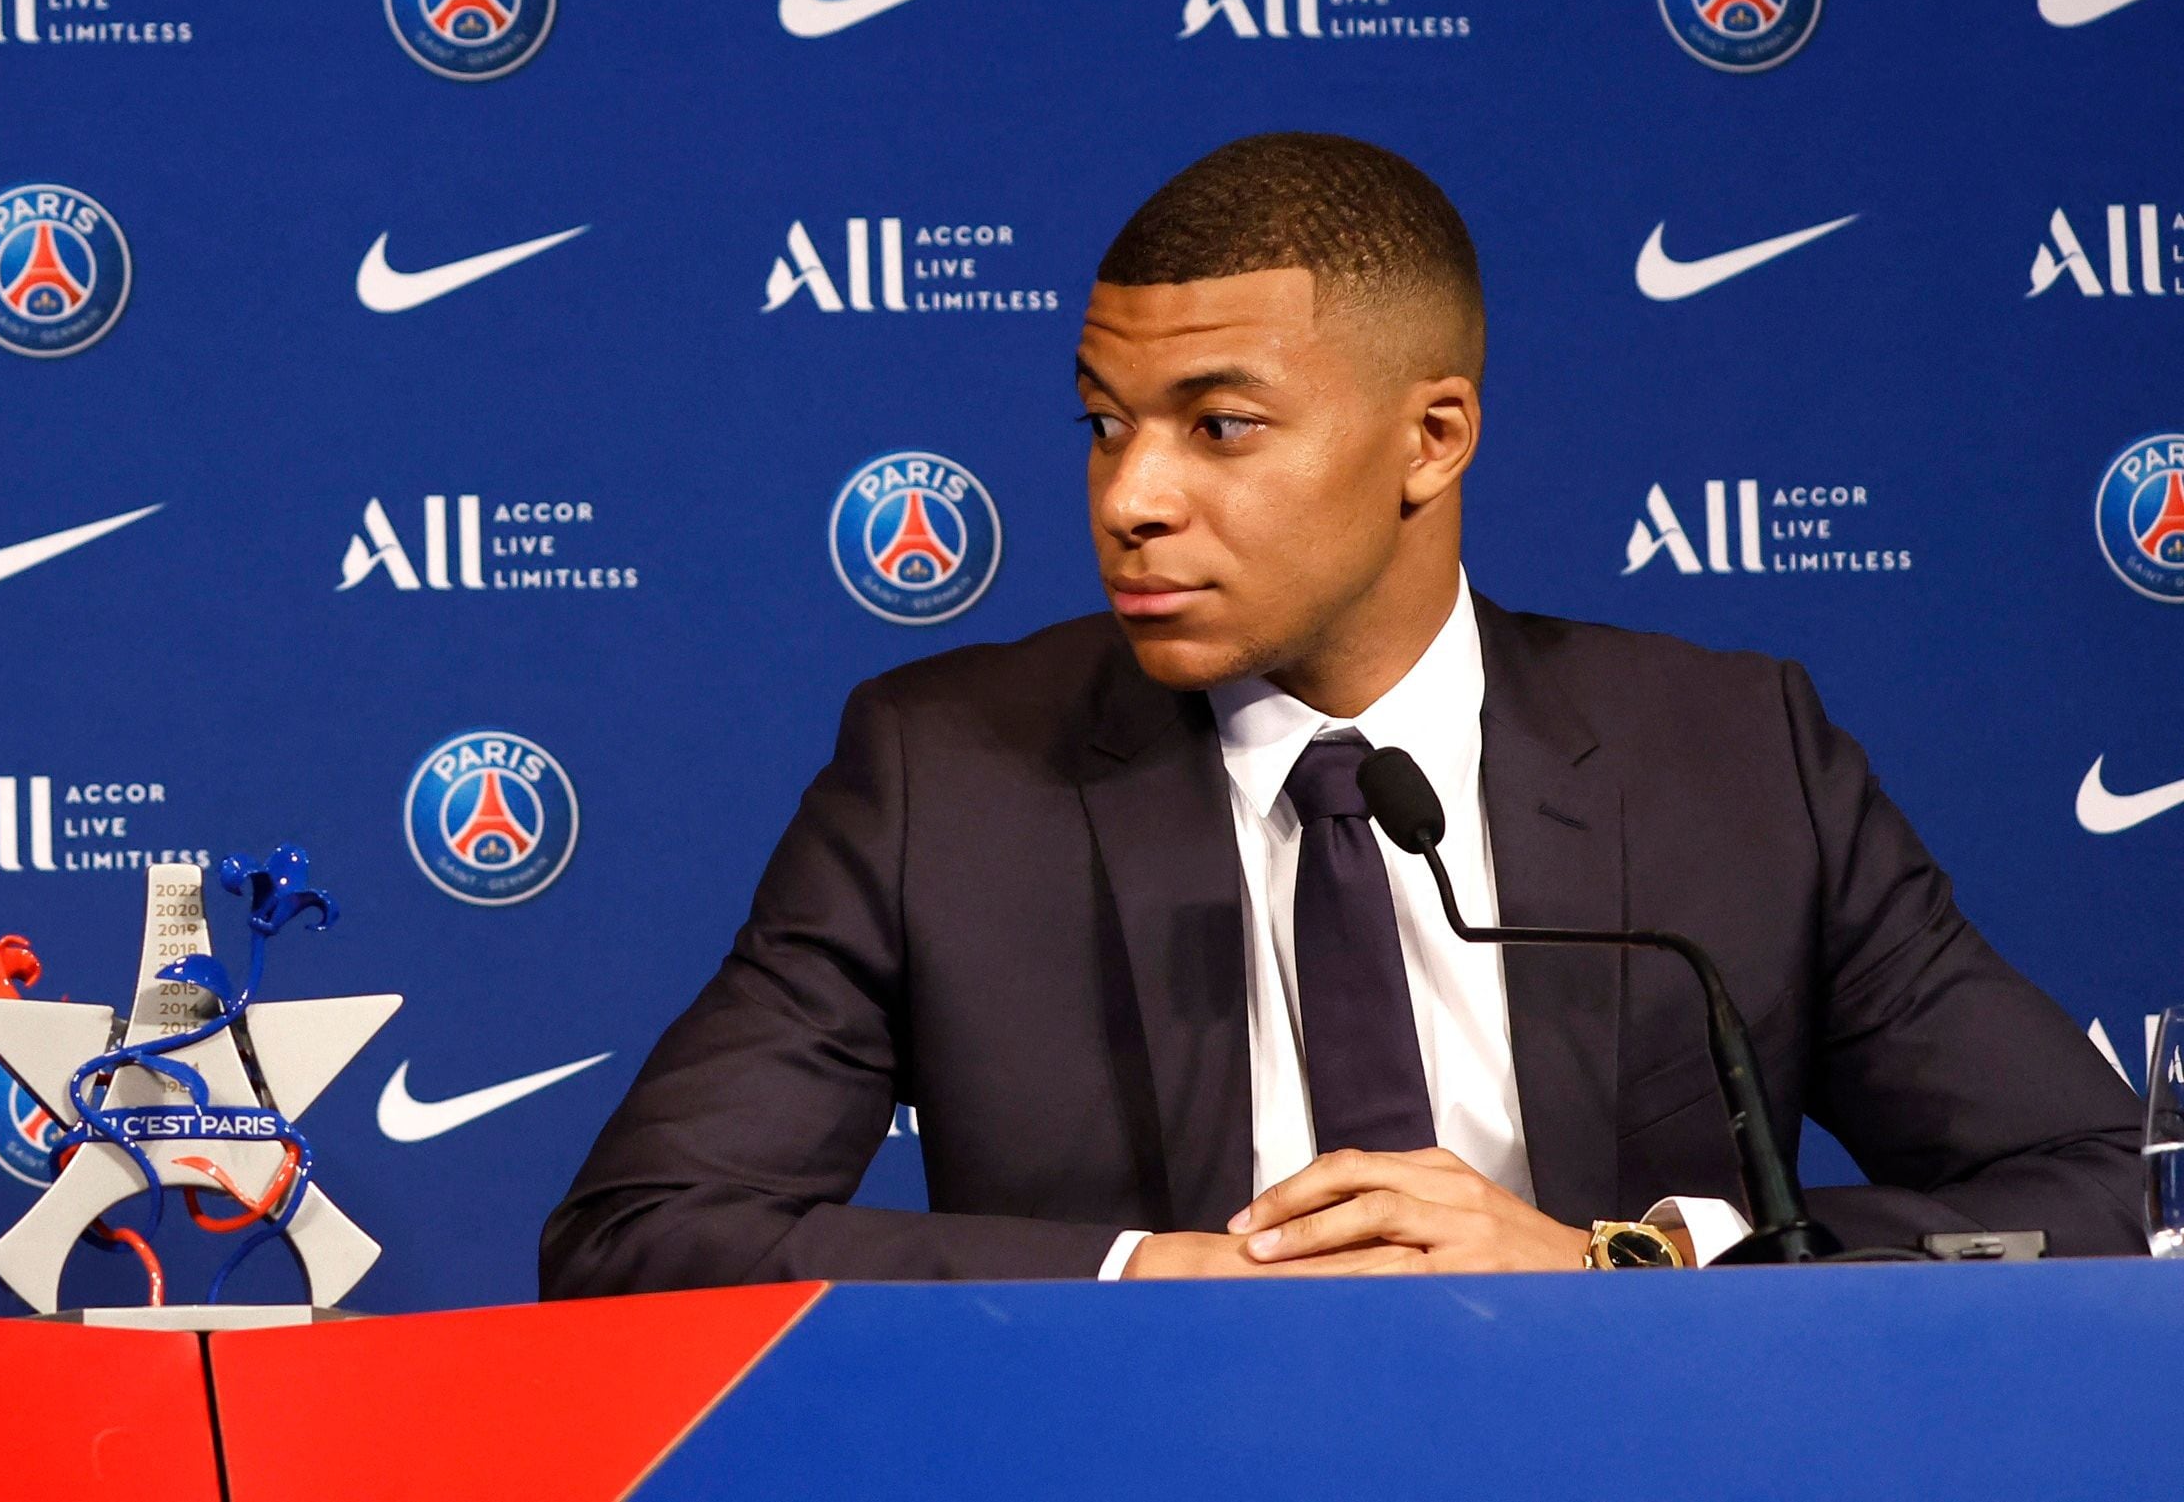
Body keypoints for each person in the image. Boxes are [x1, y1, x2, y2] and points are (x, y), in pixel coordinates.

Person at [543, 132, 2141, 1288]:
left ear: (1431, 439)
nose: (1132, 498)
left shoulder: (1733, 756)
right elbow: (641, 1235)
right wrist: (1144, 1282)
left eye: (1218, 426)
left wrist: (1630, 1259)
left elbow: (2095, 1194)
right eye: (1105, 426)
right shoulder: (942, 775)